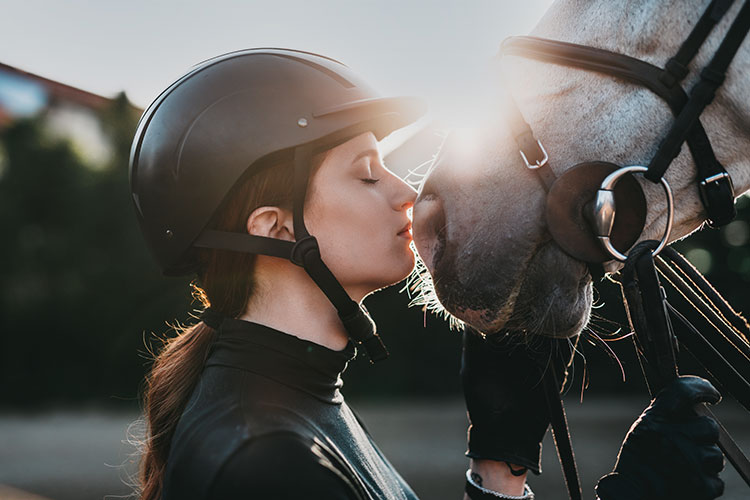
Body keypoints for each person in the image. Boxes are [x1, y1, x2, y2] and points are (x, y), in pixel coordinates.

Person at [129, 48, 726, 500]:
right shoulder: (269, 462)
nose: (404, 192)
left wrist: (499, 464)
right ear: (274, 227)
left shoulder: (294, 405)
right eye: (367, 174)